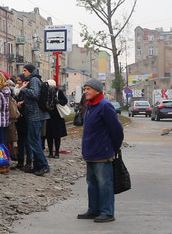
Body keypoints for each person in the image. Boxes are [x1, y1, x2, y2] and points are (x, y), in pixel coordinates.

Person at [78, 79, 123, 223]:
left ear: (97, 91)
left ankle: (107, 212)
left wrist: (113, 148)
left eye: (89, 89)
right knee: (92, 183)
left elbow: (117, 130)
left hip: (102, 152)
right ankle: (94, 209)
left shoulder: (105, 106)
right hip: (90, 152)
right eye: (85, 89)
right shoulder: (90, 106)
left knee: (104, 184)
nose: (86, 92)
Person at [19, 63, 50, 175]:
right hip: (36, 114)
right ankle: (37, 166)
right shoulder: (35, 79)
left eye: (25, 71)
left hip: (35, 115)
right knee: (35, 140)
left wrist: (23, 89)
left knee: (34, 141)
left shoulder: (33, 80)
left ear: (30, 71)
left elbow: (34, 94)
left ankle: (44, 165)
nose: (24, 73)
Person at [45, 80, 69, 158]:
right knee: (49, 136)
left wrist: (58, 101)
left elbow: (65, 101)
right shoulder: (46, 92)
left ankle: (57, 153)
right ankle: (51, 152)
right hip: (49, 116)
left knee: (57, 136)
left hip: (57, 116)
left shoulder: (59, 92)